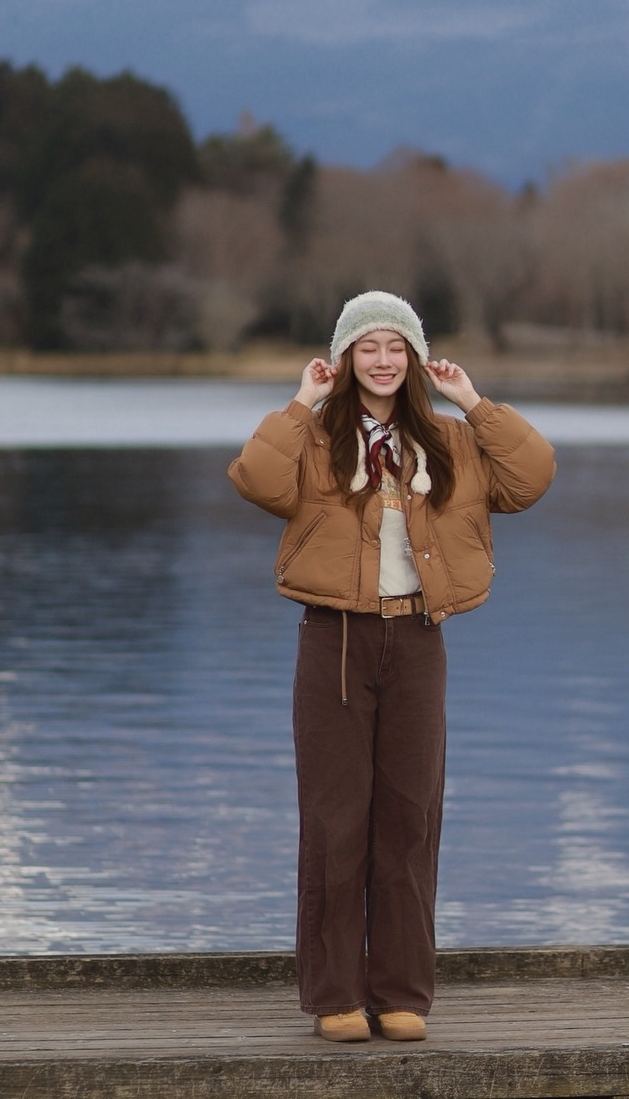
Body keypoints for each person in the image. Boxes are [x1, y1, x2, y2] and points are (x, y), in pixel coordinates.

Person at [229, 288, 556, 1044]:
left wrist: (473, 401)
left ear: (413, 358)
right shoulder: (314, 437)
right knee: (337, 821)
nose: (381, 361)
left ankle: (402, 992)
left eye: (395, 347)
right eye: (366, 347)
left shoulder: (450, 441)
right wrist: (300, 402)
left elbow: (532, 477)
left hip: (417, 641)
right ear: (344, 358)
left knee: (409, 818)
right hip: (332, 644)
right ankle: (335, 996)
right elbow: (256, 480)